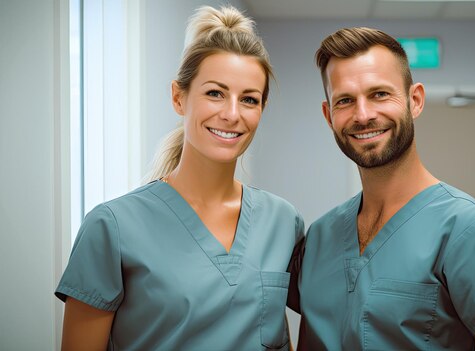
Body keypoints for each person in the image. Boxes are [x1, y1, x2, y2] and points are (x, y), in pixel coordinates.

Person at [291, 27, 475, 350]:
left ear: (415, 101)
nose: (363, 115)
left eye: (380, 94)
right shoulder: (318, 239)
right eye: (345, 100)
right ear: (328, 114)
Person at [55, 6, 303, 350]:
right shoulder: (112, 226)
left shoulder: (282, 221)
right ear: (178, 97)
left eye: (249, 99)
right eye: (215, 93)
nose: (232, 114)